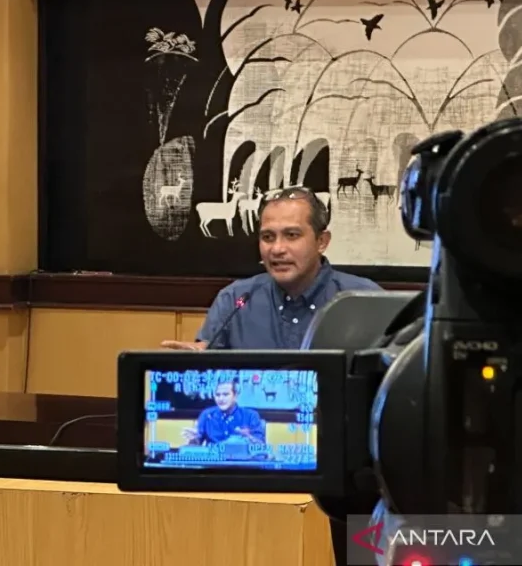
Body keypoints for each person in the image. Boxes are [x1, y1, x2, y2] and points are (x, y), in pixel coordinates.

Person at [163, 187, 381, 351]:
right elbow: (211, 369)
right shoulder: (235, 300)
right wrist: (198, 364)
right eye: (268, 237)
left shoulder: (365, 299)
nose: (277, 249)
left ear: (321, 241)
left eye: (291, 235)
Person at [182, 379, 265, 445]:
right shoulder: (207, 415)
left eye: (225, 395)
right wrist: (193, 439)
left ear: (235, 396)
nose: (221, 399)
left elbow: (260, 445)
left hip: (241, 460)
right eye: (218, 395)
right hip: (214, 460)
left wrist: (248, 437)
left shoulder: (250, 415)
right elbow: (196, 445)